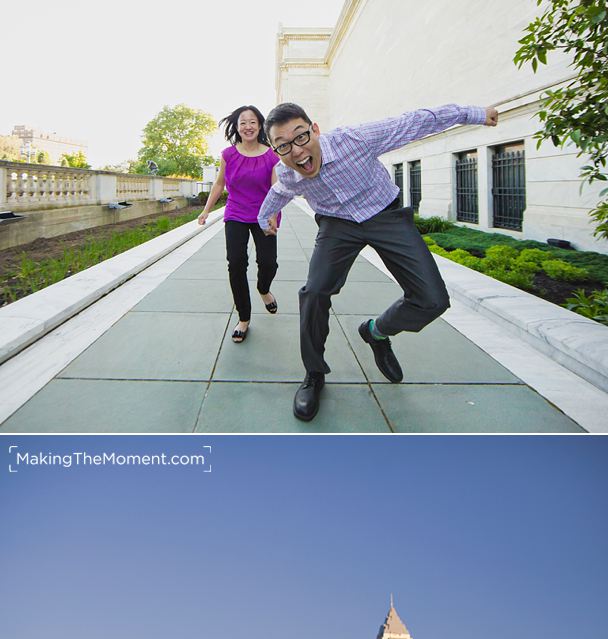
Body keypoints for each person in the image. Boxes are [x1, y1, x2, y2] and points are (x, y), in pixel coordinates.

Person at [258, 101, 498, 421]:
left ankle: (376, 332)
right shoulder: (289, 172)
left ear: (315, 129)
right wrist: (265, 216)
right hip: (337, 226)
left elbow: (416, 120)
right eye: (284, 146)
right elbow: (279, 192)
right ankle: (314, 374)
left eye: (301, 137)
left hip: (385, 214)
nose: (298, 152)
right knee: (314, 293)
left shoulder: (355, 140)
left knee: (432, 299)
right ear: (276, 151)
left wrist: (474, 114)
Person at [199, 105, 281, 343]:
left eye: (252, 121)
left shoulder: (271, 155)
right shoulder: (228, 154)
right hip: (235, 213)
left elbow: (276, 189)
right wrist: (206, 211)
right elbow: (218, 184)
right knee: (236, 264)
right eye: (243, 122)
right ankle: (243, 318)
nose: (248, 126)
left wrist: (273, 214)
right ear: (237, 127)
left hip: (265, 214)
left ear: (260, 125)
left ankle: (264, 289)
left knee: (268, 263)